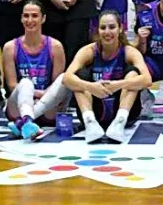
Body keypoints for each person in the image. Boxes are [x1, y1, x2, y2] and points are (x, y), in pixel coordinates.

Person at [63, 10, 153, 143]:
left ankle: (119, 122)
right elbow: (66, 78)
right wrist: (90, 86)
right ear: (98, 30)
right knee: (79, 76)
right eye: (103, 27)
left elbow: (147, 80)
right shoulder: (88, 50)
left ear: (120, 29)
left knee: (133, 74)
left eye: (112, 27)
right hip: (96, 109)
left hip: (123, 109)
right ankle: (90, 123)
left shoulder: (129, 51)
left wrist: (118, 84)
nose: (107, 32)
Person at [2, 1, 70, 139]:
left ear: (43, 18)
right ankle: (27, 119)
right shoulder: (10, 47)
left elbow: (55, 85)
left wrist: (42, 96)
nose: (30, 20)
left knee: (65, 78)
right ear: (21, 18)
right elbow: (12, 85)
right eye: (26, 16)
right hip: (20, 105)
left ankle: (24, 122)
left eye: (34, 16)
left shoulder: (55, 46)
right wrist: (31, 94)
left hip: (48, 106)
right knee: (26, 83)